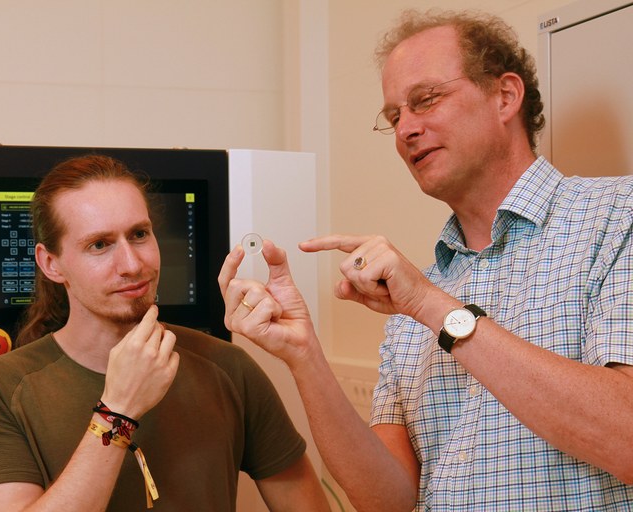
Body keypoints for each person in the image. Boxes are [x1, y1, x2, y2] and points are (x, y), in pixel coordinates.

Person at [219, 9, 633, 512]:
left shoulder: (616, 218)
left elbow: (626, 438)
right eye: (395, 116)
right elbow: (388, 499)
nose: (406, 130)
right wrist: (304, 356)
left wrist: (431, 306)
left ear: (505, 96)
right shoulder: (419, 293)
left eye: (426, 100)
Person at [0, 154, 330, 511]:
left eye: (139, 235)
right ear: (51, 263)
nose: (132, 264)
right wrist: (117, 411)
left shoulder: (229, 368)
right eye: (99, 245)